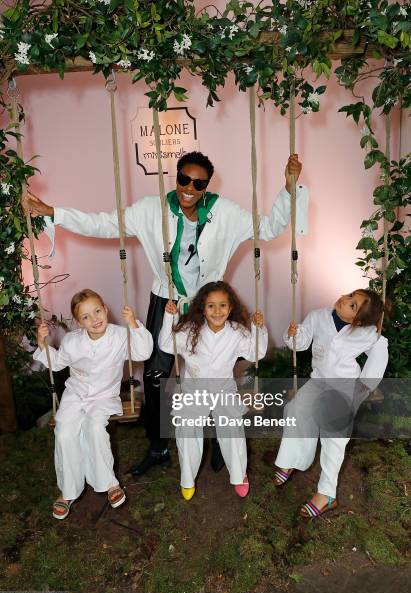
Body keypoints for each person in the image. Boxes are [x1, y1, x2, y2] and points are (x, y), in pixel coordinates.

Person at [28, 151, 308, 476]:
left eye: (198, 182)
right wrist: (54, 212)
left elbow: (269, 228)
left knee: (216, 370)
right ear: (176, 178)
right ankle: (159, 446)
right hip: (167, 301)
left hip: (209, 305)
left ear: (206, 185)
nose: (190, 187)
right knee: (156, 373)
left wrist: (288, 187)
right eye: (184, 179)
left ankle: (218, 440)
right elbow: (104, 223)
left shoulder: (225, 212)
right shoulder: (151, 210)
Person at [33, 289, 153, 520]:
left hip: (104, 396)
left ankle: (108, 483)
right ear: (79, 322)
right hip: (75, 394)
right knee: (65, 432)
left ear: (106, 310)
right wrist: (41, 343)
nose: (95, 319)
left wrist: (133, 324)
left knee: (95, 428)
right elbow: (56, 363)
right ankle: (68, 491)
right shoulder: (72, 341)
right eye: (86, 316)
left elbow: (143, 351)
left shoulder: (120, 336)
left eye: (98, 311)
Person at [273, 289, 388, 518]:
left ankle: (327, 493)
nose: (345, 300)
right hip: (319, 381)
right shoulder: (318, 316)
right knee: (295, 410)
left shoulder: (366, 333)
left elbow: (380, 350)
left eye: (353, 305)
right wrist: (294, 335)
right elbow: (302, 343)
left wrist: (363, 387)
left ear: (358, 321)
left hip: (343, 388)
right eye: (350, 296)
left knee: (333, 434)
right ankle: (292, 459)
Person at [158, 281, 268, 500]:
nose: (217, 311)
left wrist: (258, 328)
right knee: (187, 430)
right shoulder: (190, 330)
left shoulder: (237, 332)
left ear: (230, 308)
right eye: (211, 306)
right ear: (202, 308)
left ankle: (239, 474)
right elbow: (166, 345)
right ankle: (187, 479)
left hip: (223, 389)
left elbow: (257, 354)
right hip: (193, 389)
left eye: (222, 305)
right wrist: (169, 318)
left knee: (232, 429)